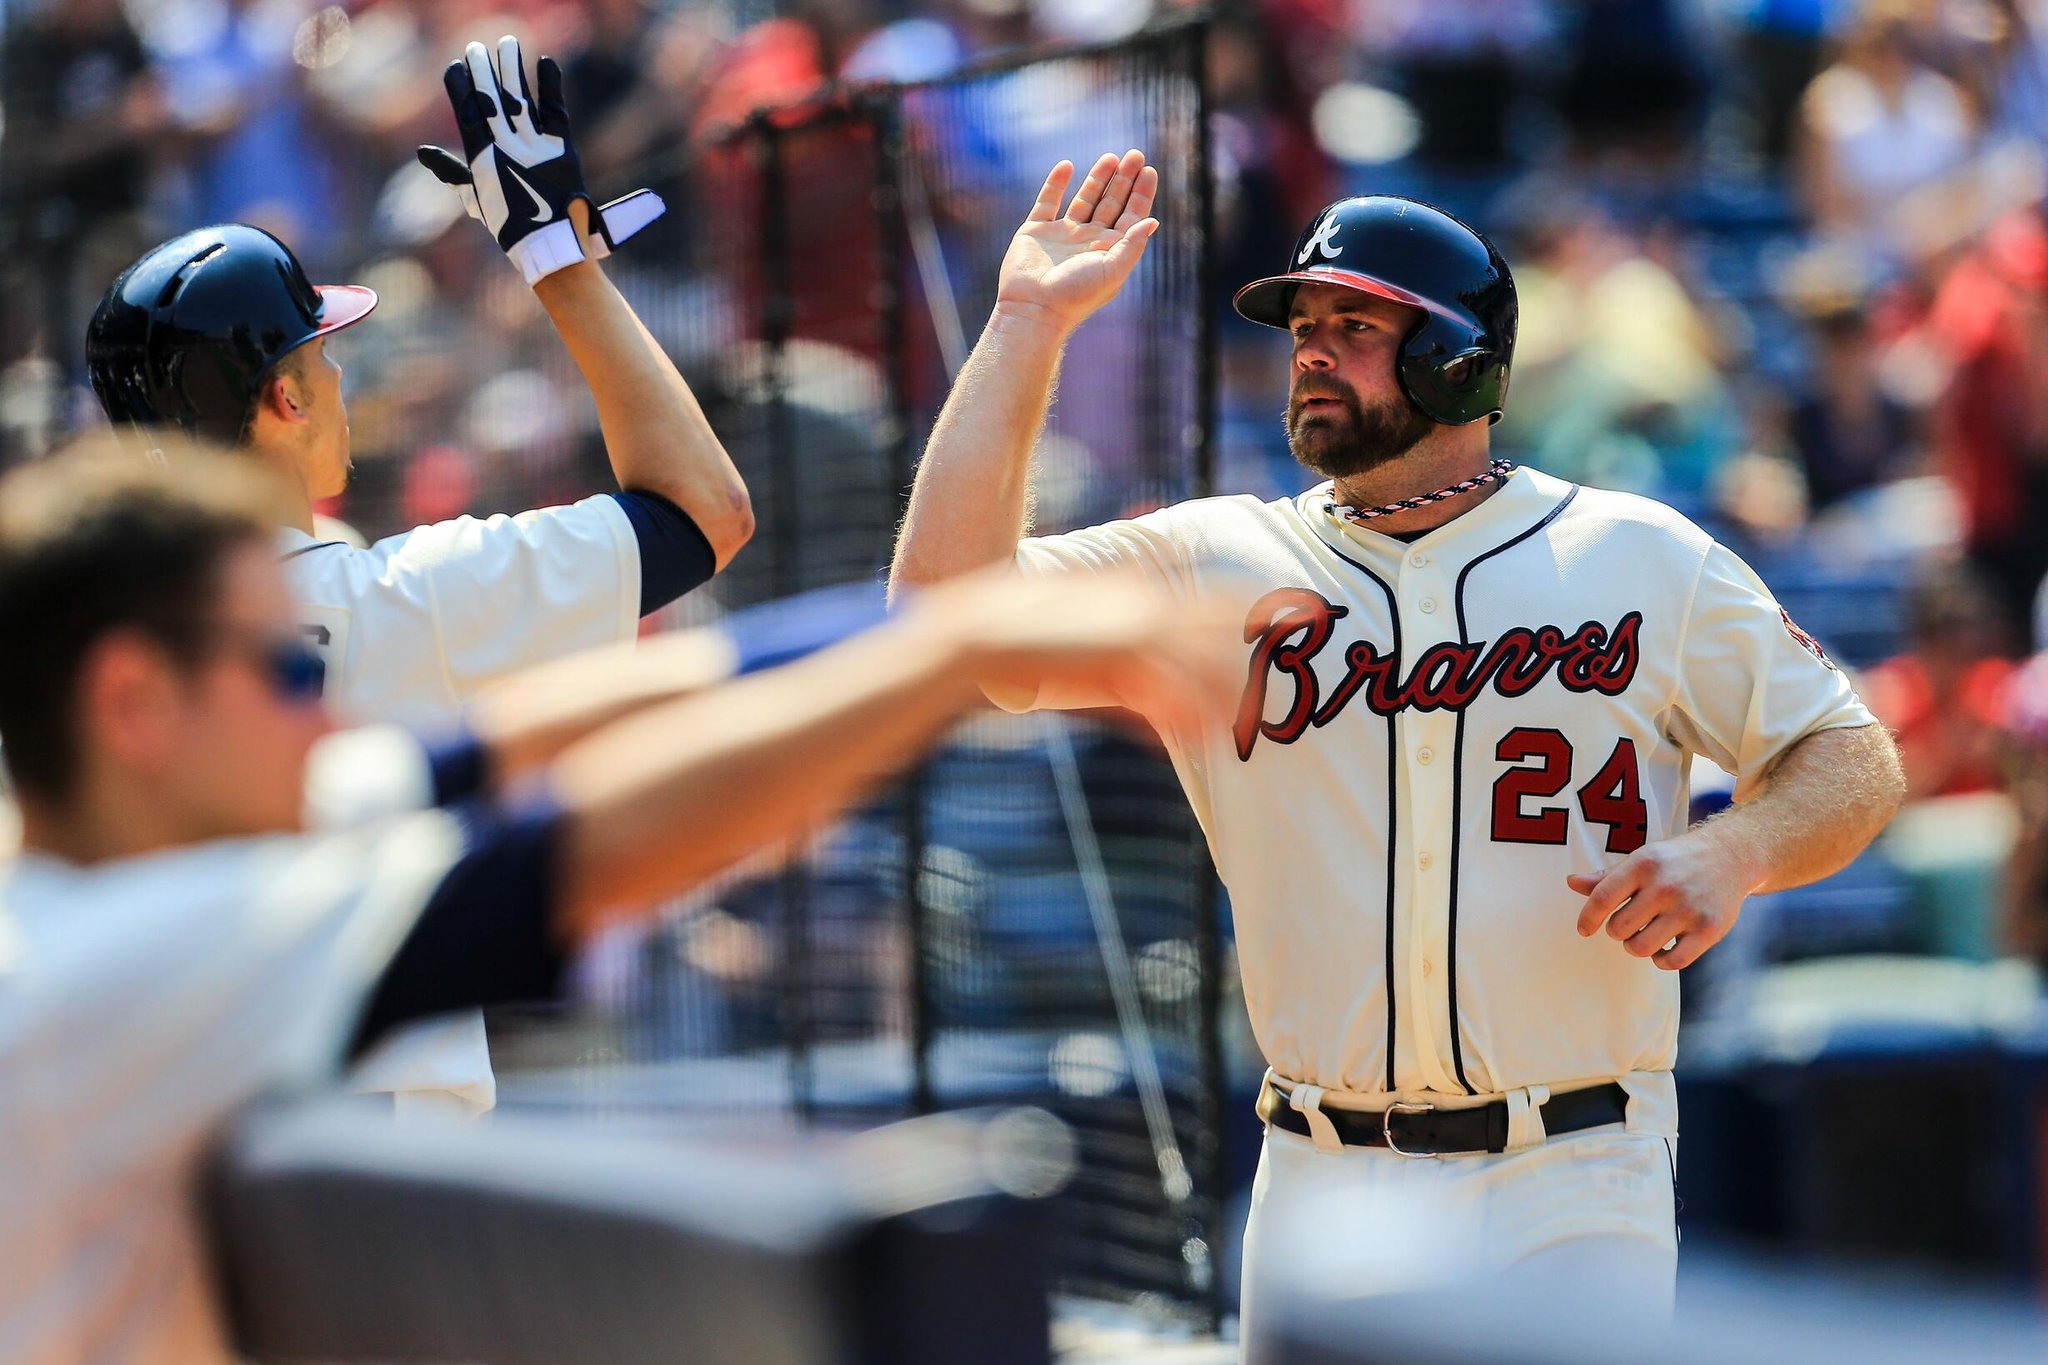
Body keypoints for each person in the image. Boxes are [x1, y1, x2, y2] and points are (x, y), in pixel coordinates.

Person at [888, 153, 1906, 1348]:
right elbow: (939, 621)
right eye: (1302, 325)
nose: (1310, 348)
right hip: (1319, 1174)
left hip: (1572, 1168)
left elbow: (1849, 755)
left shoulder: (1638, 554)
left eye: (1354, 325)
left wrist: (1735, 853)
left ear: (1457, 361)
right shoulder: (1212, 562)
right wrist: (1025, 323)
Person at [0, 438, 1236, 1365]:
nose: (321, 708)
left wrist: (926, 625)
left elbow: (515, 740)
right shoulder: (96, 962)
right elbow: (578, 848)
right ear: (131, 703)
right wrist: (950, 658)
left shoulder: (151, 851)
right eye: (285, 668)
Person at [84, 35, 754, 1114]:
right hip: (376, 1174)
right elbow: (703, 513)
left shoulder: (76, 650)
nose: (342, 377)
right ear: (286, 402)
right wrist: (558, 263)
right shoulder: (407, 597)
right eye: (322, 356)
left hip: (170, 1167)